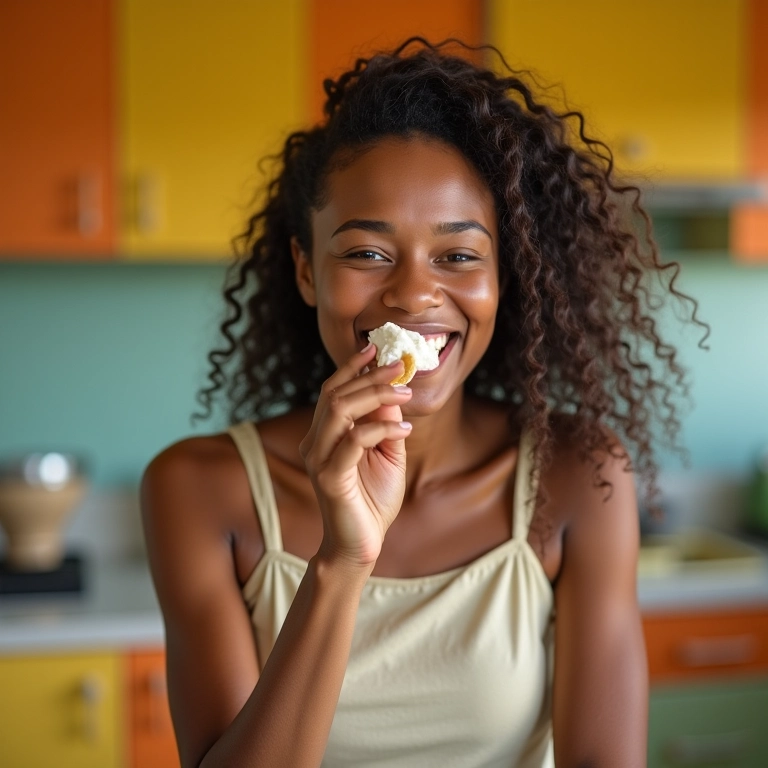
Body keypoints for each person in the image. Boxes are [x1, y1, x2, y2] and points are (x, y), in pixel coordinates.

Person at [140, 38, 707, 768]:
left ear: (508, 277)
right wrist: (343, 562)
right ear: (307, 271)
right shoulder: (197, 490)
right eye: (368, 254)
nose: (412, 294)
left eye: (459, 255)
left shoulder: (577, 475)